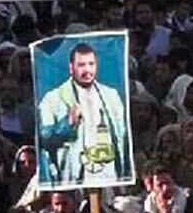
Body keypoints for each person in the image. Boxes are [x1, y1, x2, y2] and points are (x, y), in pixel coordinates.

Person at [36, 38, 131, 187]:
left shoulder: (112, 95)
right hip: (74, 176)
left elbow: (123, 137)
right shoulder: (52, 98)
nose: (87, 70)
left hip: (109, 173)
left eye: (91, 64)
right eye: (81, 65)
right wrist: (67, 123)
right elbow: (43, 138)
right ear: (71, 67)